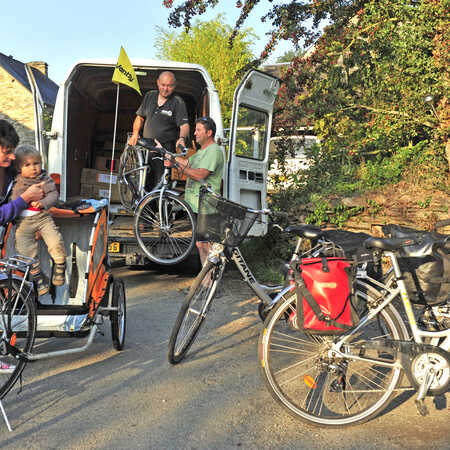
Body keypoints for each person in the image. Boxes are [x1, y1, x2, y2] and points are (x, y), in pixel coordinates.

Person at [163, 117, 223, 265]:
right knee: (201, 245)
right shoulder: (201, 151)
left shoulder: (214, 151)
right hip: (198, 206)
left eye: (198, 130)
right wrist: (170, 157)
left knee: (206, 247)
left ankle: (210, 283)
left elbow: (200, 175)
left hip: (207, 207)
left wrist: (177, 166)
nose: (195, 133)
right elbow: (188, 163)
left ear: (209, 133)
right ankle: (206, 283)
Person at [11, 145, 66, 296]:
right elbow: (12, 201)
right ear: (18, 168)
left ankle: (60, 263)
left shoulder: (44, 180)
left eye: (36, 163)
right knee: (24, 250)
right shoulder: (16, 182)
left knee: (55, 241)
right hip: (23, 223)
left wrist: (43, 203)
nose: (33, 168)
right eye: (27, 165)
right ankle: (37, 277)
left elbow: (53, 196)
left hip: (42, 218)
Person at [128, 71, 190, 191]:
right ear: (157, 83)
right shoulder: (150, 96)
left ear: (175, 85)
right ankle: (143, 208)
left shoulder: (178, 102)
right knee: (143, 184)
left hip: (164, 151)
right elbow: (139, 117)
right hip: (146, 149)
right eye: (163, 85)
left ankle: (158, 209)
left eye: (169, 86)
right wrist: (135, 133)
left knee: (160, 186)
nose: (165, 89)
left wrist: (182, 138)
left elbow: (184, 125)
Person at [0, 120, 44, 224]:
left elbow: (39, 175)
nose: (13, 156)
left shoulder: (12, 168)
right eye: (7, 152)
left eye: (13, 151)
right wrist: (25, 198)